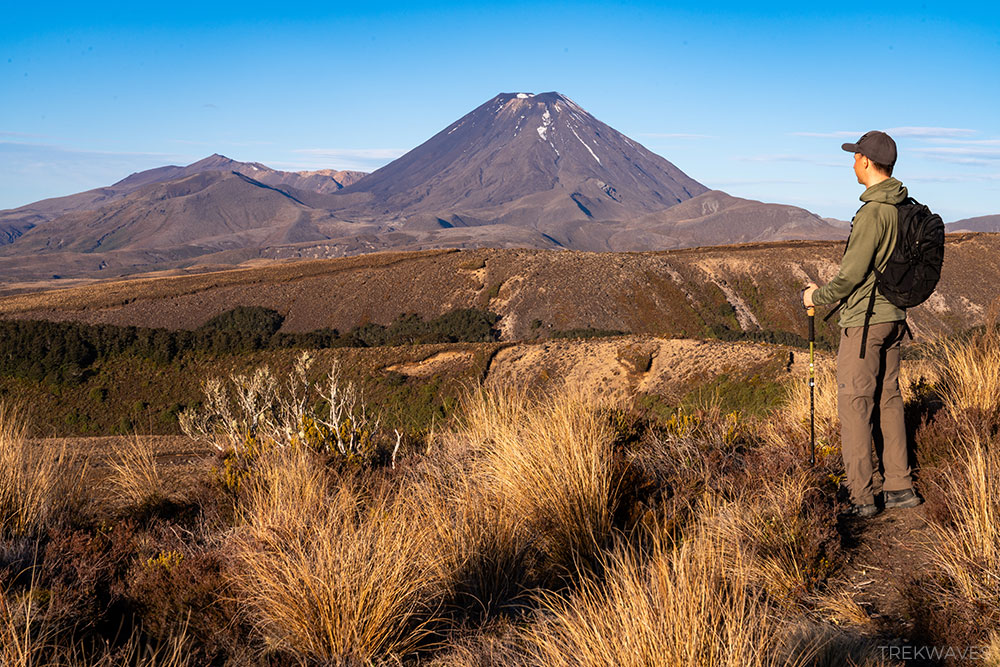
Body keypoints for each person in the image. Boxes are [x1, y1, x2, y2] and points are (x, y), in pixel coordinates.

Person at [802, 130, 923, 518]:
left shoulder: (873, 212)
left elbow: (850, 276)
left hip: (865, 323)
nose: (852, 162)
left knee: (854, 406)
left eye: (856, 157)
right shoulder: (904, 207)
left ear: (868, 162)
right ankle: (900, 486)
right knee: (888, 400)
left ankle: (861, 495)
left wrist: (815, 297)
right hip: (894, 319)